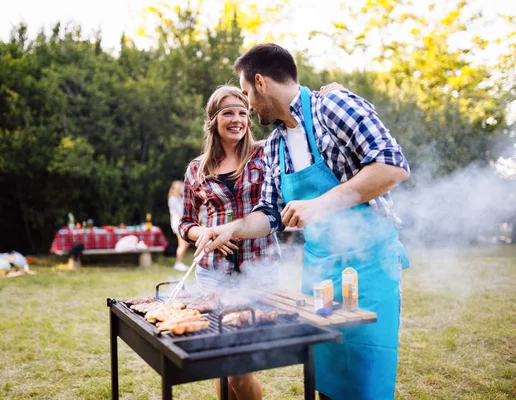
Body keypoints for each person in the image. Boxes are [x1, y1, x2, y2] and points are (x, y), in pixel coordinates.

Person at [196, 44, 411, 400]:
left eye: (247, 92)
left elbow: (392, 165)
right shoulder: (274, 144)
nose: (248, 104)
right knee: (324, 380)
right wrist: (232, 228)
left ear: (261, 83)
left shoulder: (333, 106)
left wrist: (321, 204)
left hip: (369, 268)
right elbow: (269, 214)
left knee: (364, 381)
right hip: (319, 273)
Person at [178, 85, 279, 400]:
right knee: (222, 363)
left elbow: (274, 209)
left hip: (259, 268)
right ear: (213, 120)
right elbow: (184, 223)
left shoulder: (265, 154)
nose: (237, 119)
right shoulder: (197, 169)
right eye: (228, 113)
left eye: (242, 112)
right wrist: (205, 233)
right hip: (213, 273)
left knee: (239, 366)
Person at [168, 180, 190, 271]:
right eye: (181, 187)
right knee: (183, 244)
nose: (183, 189)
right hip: (177, 224)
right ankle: (178, 263)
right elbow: (181, 211)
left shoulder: (179, 198)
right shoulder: (173, 199)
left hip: (180, 224)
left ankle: (179, 262)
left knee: (184, 244)